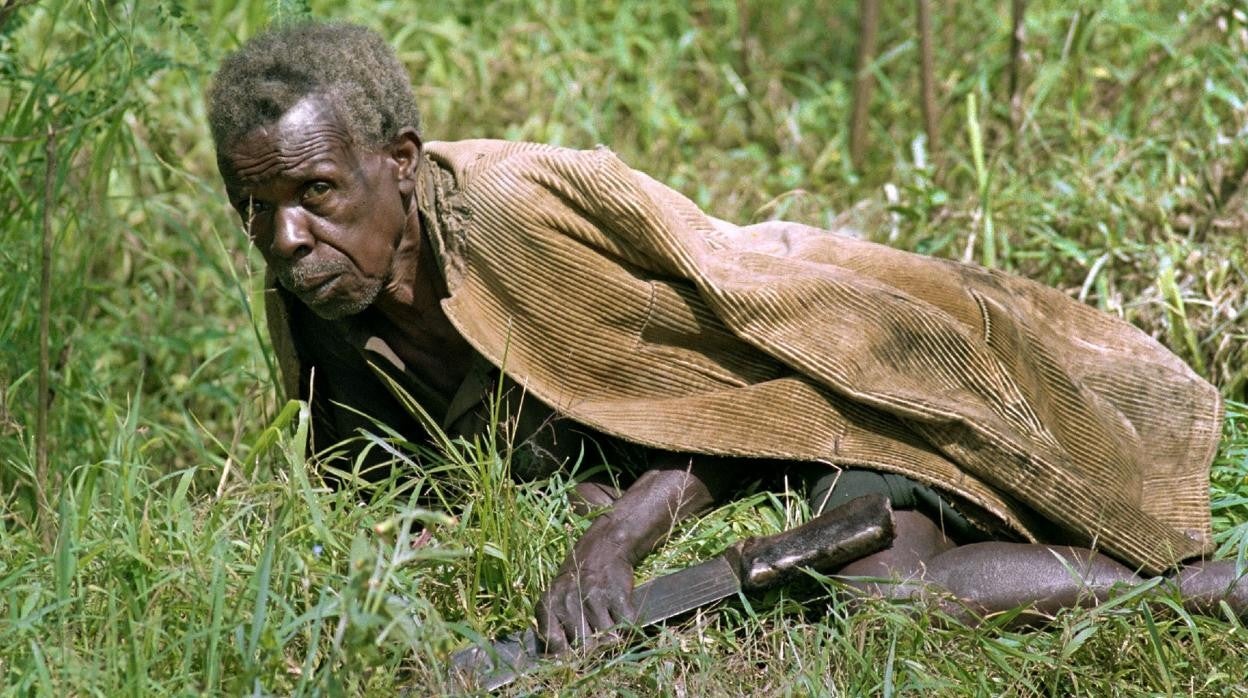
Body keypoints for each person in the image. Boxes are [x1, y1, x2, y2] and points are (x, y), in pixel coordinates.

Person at [207, 21, 1245, 653]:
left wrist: (613, 535)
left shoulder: (506, 215)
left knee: (891, 597)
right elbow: (382, 481)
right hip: (734, 462)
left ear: (398, 159)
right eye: (253, 205)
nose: (283, 236)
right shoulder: (319, 294)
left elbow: (728, 375)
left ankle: (1198, 589)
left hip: (831, 381)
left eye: (315, 191)